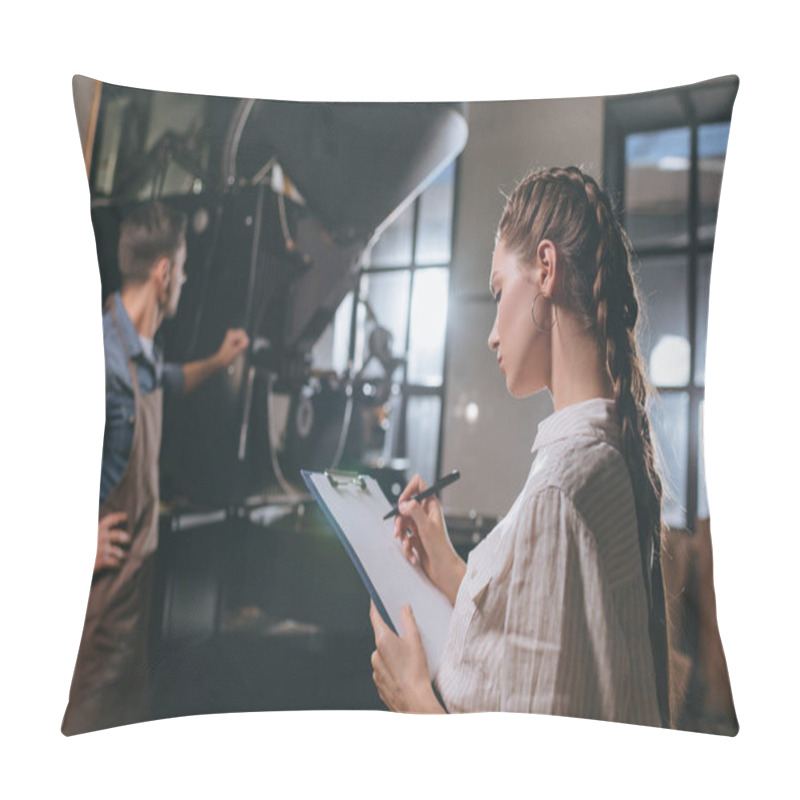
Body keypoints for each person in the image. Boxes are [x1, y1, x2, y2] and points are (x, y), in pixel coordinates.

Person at [368, 166, 671, 728]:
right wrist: (447, 565)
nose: (490, 333)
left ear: (546, 269)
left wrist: (412, 698)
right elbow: (539, 633)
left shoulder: (561, 489)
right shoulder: (598, 462)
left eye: (499, 290)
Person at [62, 201, 249, 735]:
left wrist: (219, 359)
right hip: (90, 623)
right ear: (164, 272)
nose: (186, 281)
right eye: (184, 269)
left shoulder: (140, 355)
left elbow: (171, 380)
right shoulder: (98, 358)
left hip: (129, 625)